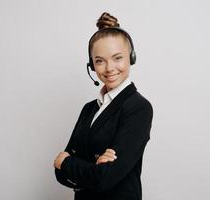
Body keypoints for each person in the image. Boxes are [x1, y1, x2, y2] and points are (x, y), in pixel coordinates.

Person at [53, 12, 153, 200]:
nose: (109, 68)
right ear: (92, 65)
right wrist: (92, 167)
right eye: (100, 61)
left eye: (117, 58)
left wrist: (67, 163)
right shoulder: (89, 109)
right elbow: (60, 175)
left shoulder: (139, 107)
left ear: (131, 57)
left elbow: (104, 179)